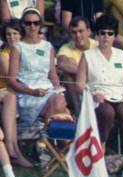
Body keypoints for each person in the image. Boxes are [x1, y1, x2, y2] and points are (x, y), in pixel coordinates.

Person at [76, 14, 123, 157]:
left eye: (110, 34)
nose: (106, 37)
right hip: (98, 96)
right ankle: (101, 144)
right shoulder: (88, 55)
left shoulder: (121, 54)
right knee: (108, 112)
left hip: (119, 96)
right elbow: (79, 84)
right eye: (102, 33)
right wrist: (93, 95)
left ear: (114, 36)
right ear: (97, 35)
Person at [8, 8, 70, 127]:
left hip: (47, 89)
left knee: (59, 100)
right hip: (27, 92)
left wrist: (56, 87)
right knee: (61, 108)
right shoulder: (18, 48)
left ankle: (43, 138)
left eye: (36, 23)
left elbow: (52, 73)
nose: (32, 26)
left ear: (40, 25)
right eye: (28, 23)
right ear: (23, 25)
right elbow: (11, 80)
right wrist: (31, 91)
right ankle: (49, 138)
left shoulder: (48, 46)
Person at [0, 18, 29, 167]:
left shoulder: (26, 50)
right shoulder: (4, 54)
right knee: (10, 96)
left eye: (15, 33)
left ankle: (15, 150)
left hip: (18, 89)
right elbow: (12, 79)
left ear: (21, 35)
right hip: (4, 88)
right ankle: (12, 149)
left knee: (12, 97)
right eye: (8, 34)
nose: (12, 37)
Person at [57, 17, 98, 112]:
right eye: (74, 32)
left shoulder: (97, 46)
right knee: (67, 73)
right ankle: (78, 109)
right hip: (78, 89)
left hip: (97, 85)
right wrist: (85, 74)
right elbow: (61, 63)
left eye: (81, 31)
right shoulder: (67, 47)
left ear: (88, 31)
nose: (77, 35)